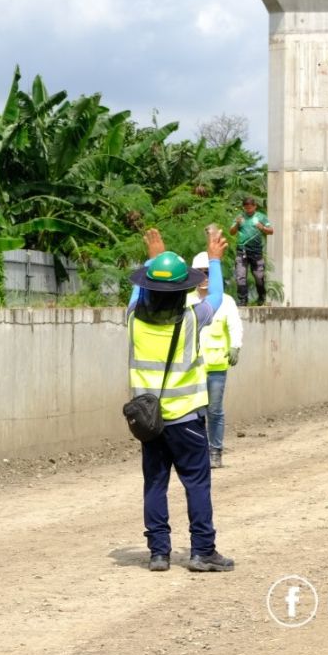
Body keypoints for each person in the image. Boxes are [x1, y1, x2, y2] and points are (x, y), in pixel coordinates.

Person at [129, 225, 235, 572]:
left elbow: (138, 291)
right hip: (186, 418)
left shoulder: (133, 319)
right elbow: (216, 299)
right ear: (181, 291)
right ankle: (202, 550)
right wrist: (214, 259)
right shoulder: (191, 319)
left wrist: (154, 258)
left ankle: (159, 552)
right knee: (197, 484)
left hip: (151, 420)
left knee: (155, 484)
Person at [191, 251, 244, 469]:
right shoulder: (188, 300)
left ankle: (215, 451)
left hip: (216, 365)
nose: (204, 277)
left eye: (208, 272)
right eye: (200, 272)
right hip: (192, 367)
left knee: (214, 410)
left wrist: (235, 346)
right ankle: (198, 452)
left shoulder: (226, 301)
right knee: (195, 413)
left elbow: (235, 325)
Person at [230, 196, 273, 305]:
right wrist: (237, 224)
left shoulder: (261, 217)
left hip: (256, 252)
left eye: (250, 208)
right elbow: (232, 232)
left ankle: (261, 295)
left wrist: (262, 228)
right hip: (242, 251)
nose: (248, 210)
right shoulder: (239, 217)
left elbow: (271, 231)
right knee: (240, 277)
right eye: (246, 208)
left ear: (255, 206)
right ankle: (243, 299)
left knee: (259, 277)